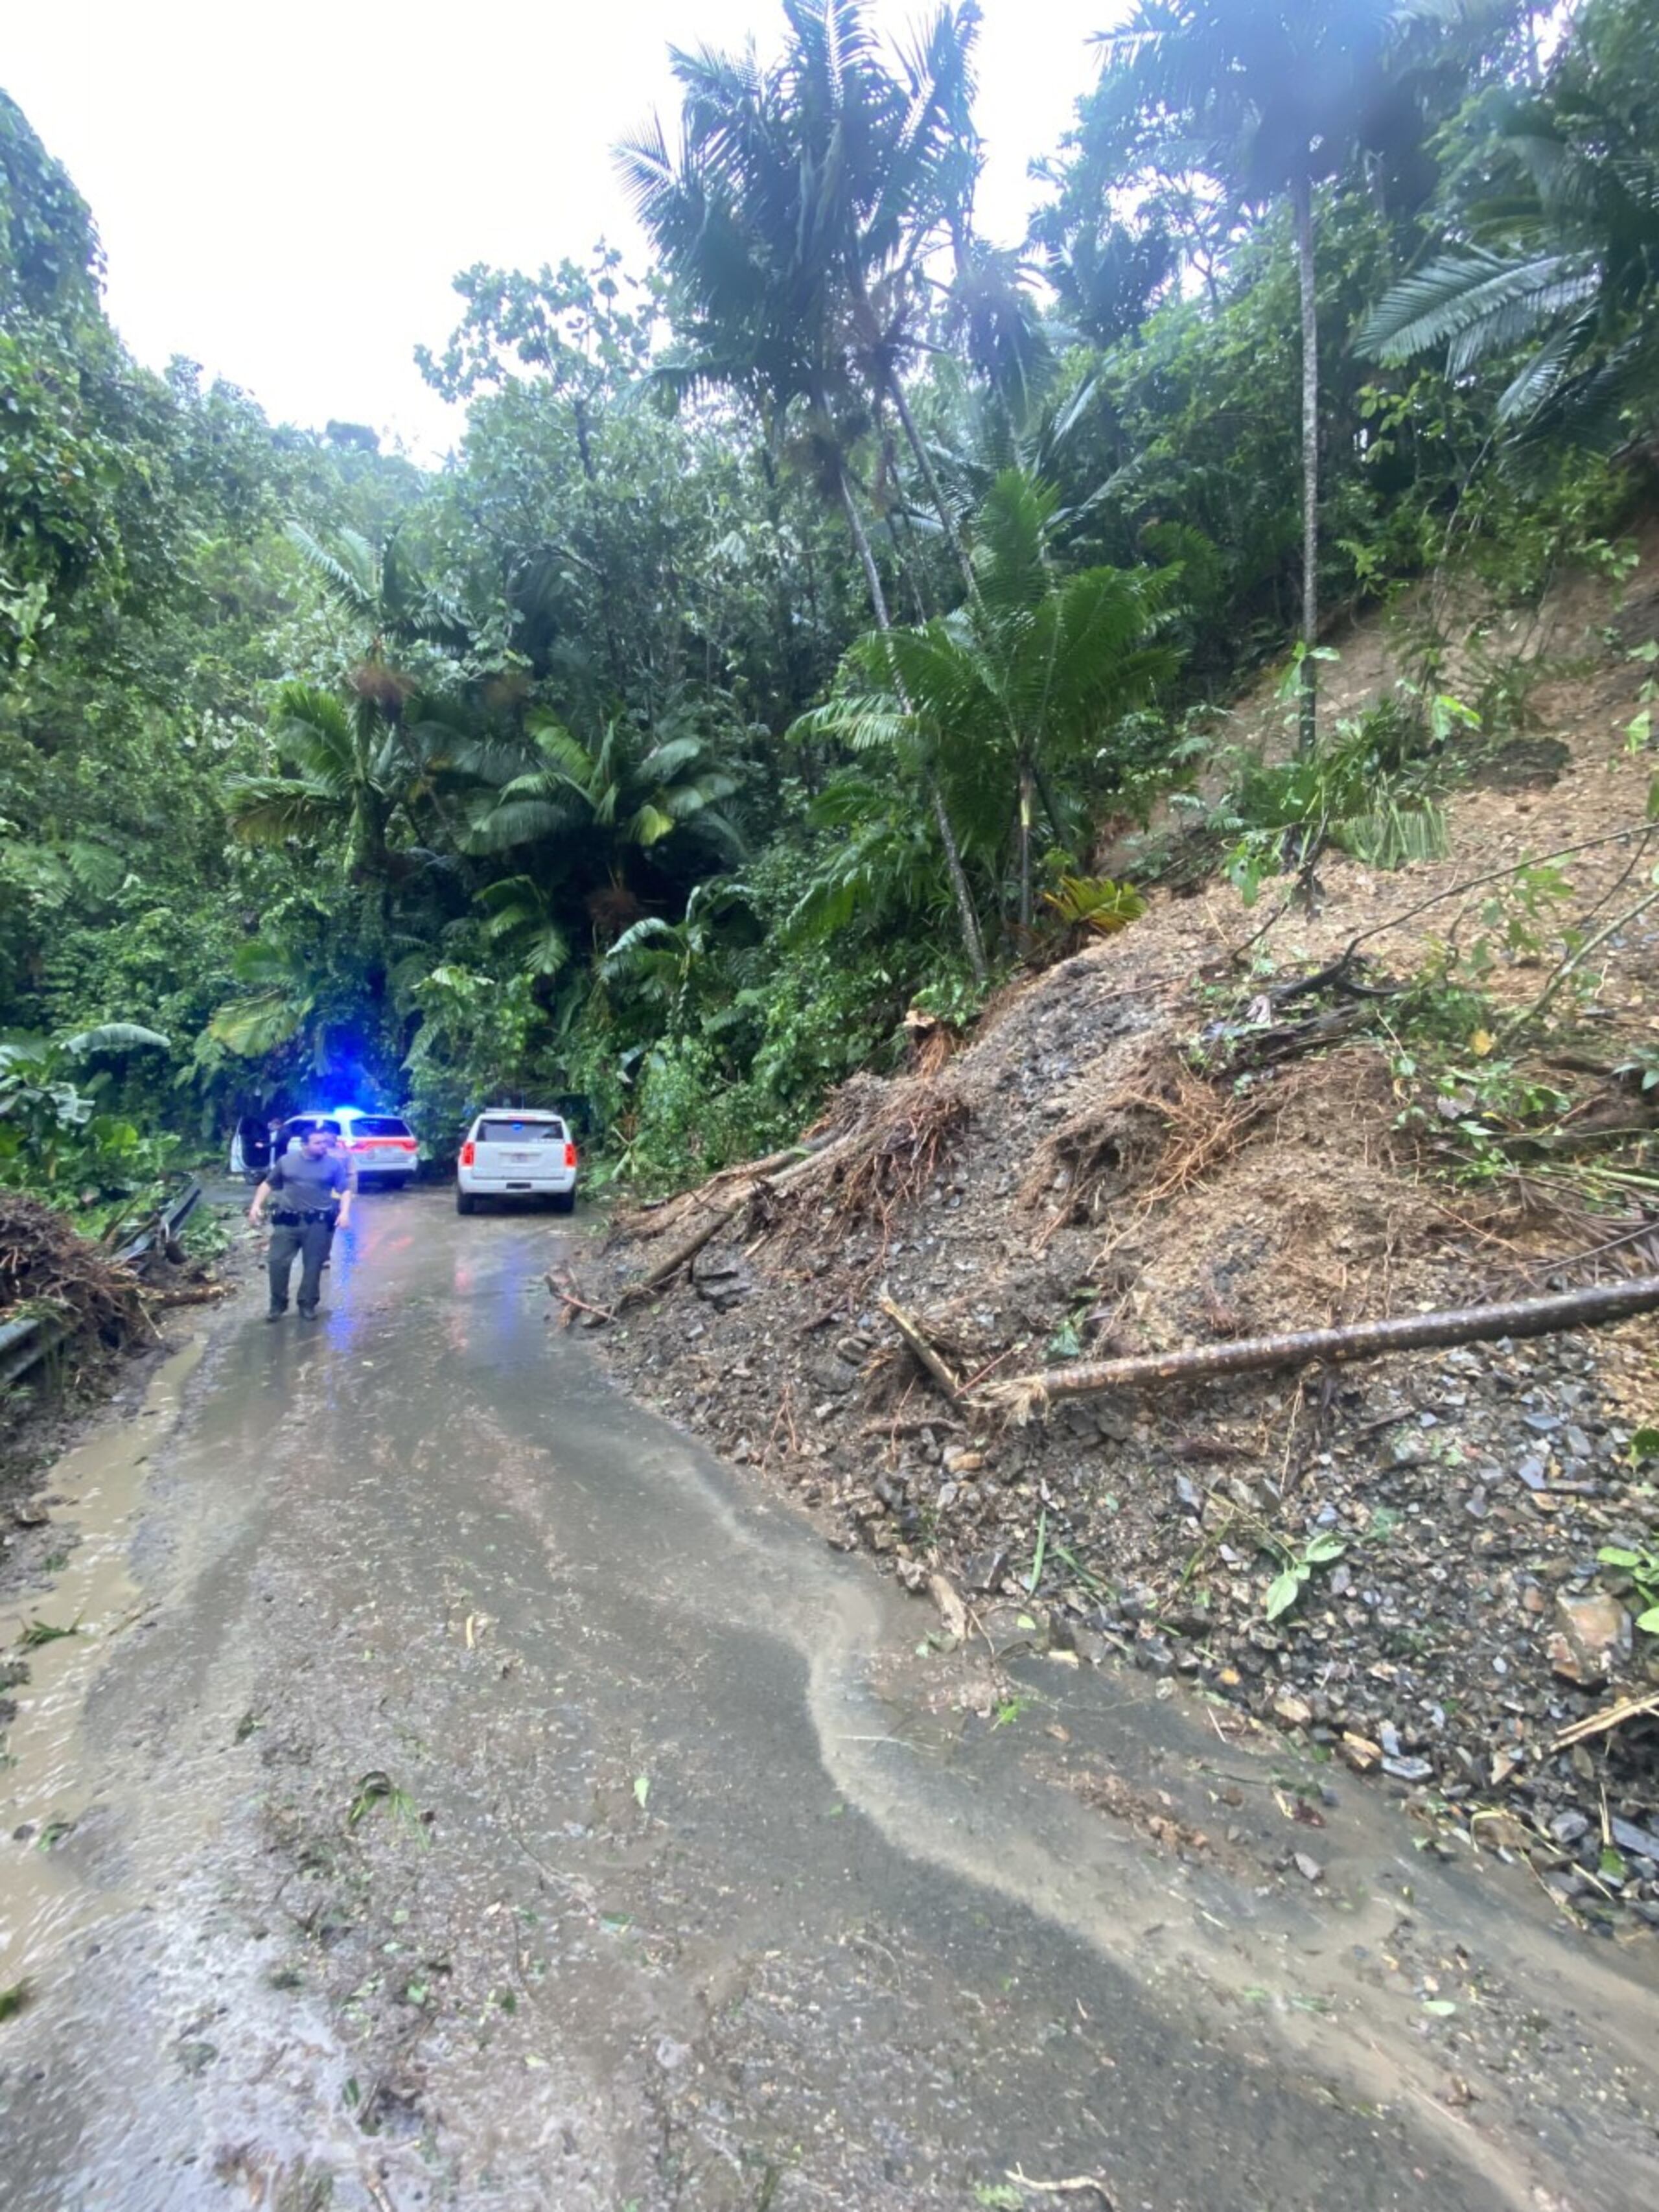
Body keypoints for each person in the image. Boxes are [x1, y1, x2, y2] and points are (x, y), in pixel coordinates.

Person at [249, 1124, 354, 1320]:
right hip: (287, 1221)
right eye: (318, 1143)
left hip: (318, 1223)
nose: (324, 1146)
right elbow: (268, 1184)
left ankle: (307, 1304)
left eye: (325, 1142)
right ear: (304, 1144)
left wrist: (345, 1212)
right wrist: (256, 1205)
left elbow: (345, 1190)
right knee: (277, 1262)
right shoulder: (287, 1162)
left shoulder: (333, 1165)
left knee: (314, 1264)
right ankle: (277, 1305)